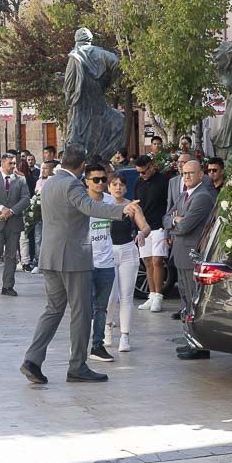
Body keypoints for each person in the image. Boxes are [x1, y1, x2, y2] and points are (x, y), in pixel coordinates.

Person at [21, 144, 141, 385]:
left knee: (53, 309)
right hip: (73, 258)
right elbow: (89, 206)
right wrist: (121, 209)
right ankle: (77, 366)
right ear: (82, 165)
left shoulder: (50, 182)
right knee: (81, 312)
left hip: (50, 256)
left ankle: (32, 360)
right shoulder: (72, 184)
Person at [164, 159, 217, 359]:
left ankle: (200, 346)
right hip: (180, 254)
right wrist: (175, 219)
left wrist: (177, 221)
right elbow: (166, 217)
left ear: (201, 174)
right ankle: (191, 341)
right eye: (184, 173)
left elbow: (185, 227)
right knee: (185, 300)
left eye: (191, 173)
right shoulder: (183, 195)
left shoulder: (202, 197)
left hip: (191, 255)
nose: (186, 177)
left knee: (194, 301)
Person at [106, 172, 149, 353]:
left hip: (128, 251)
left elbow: (146, 227)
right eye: (114, 184)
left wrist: (141, 233)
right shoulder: (103, 205)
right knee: (110, 297)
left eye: (121, 184)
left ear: (125, 187)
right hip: (108, 253)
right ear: (109, 187)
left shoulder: (132, 206)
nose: (118, 188)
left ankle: (125, 335)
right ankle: (107, 326)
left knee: (126, 296)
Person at [83, 163, 121, 363]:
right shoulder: (81, 202)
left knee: (101, 307)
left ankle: (97, 346)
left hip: (106, 262)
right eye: (95, 180)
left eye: (103, 179)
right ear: (86, 181)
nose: (99, 183)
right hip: (86, 263)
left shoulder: (109, 201)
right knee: (84, 308)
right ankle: (80, 345)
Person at [0, 153, 31, 294]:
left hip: (14, 222)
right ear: (3, 163)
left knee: (11, 255)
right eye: (11, 163)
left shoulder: (20, 180)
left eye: (14, 163)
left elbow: (26, 198)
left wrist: (12, 211)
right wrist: (1, 208)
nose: (13, 166)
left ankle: (8, 285)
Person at [133, 154, 170, 312]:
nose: (142, 175)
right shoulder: (138, 183)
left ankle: (159, 297)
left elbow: (170, 203)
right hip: (144, 228)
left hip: (159, 226)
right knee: (148, 262)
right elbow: (136, 207)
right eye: (139, 172)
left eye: (144, 171)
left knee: (157, 262)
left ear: (152, 166)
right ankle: (152, 295)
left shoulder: (164, 181)